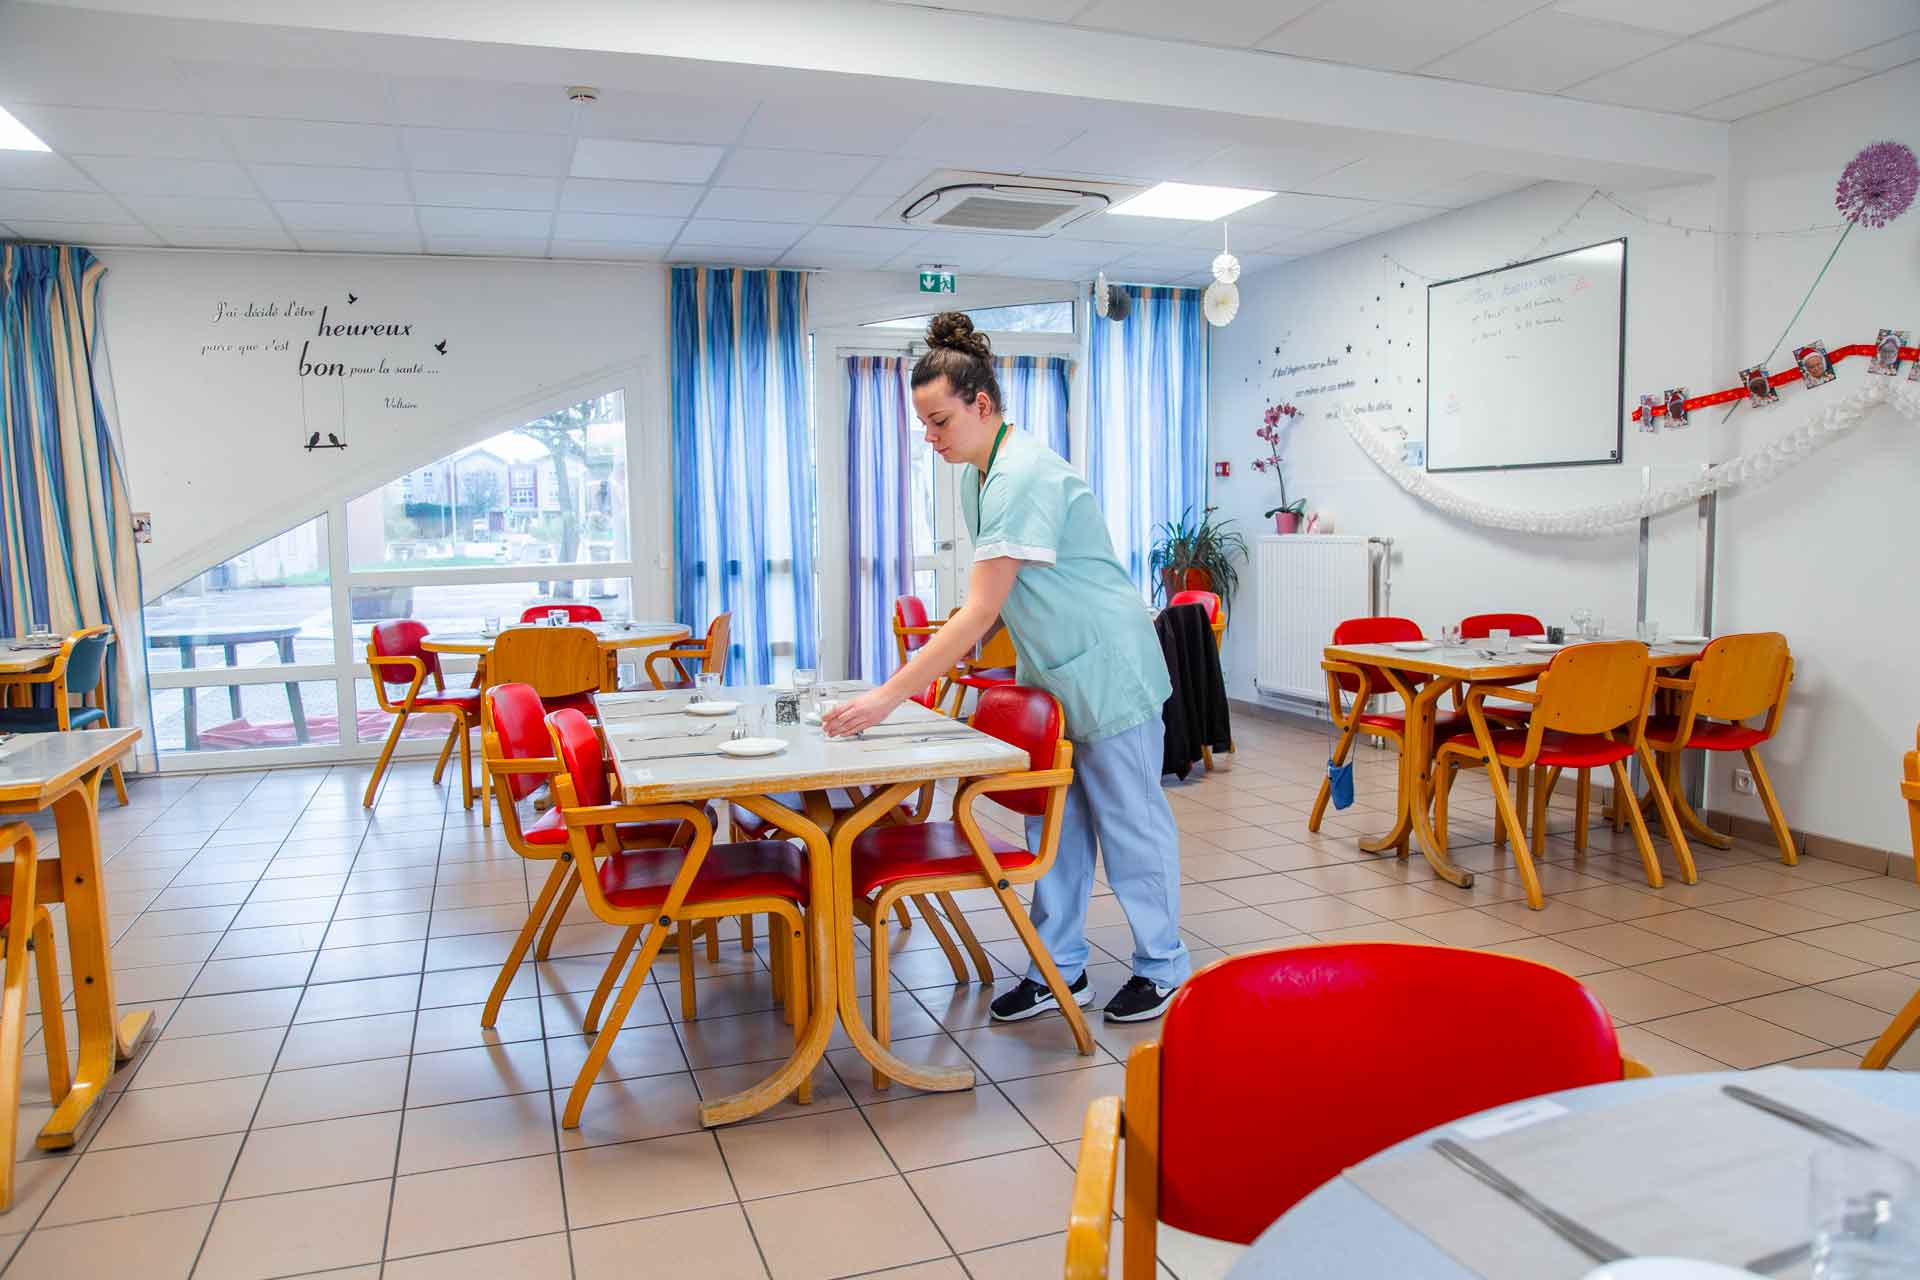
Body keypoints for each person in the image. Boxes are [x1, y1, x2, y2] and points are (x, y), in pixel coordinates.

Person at [823, 313, 1191, 1023]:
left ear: (981, 405)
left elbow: (979, 611)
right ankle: (1059, 969)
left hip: (1108, 664)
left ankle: (1163, 964)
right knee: (1055, 824)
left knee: (1128, 820)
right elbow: (991, 599)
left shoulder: (1023, 473)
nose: (930, 439)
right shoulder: (979, 474)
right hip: (1054, 668)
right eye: (924, 425)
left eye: (938, 422)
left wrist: (887, 699)